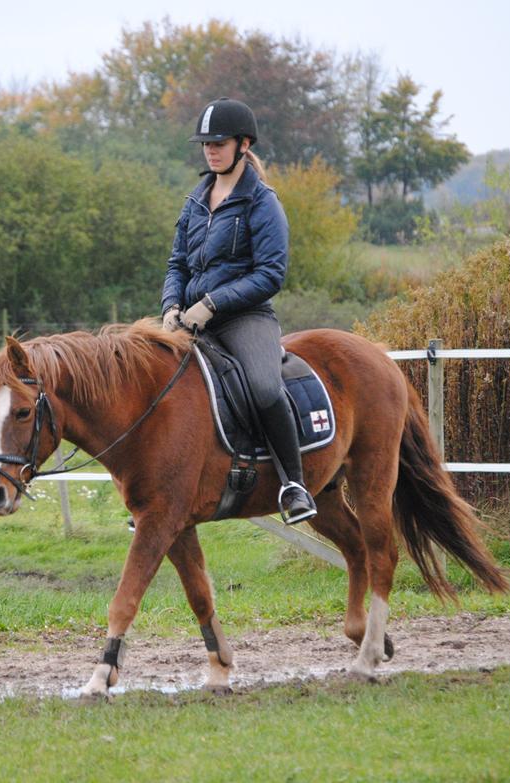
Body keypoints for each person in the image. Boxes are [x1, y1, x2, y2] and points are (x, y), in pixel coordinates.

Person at [161, 97, 317, 524]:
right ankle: (159, 491)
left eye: (219, 142)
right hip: (190, 318)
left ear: (243, 144)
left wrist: (212, 304)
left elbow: (271, 274)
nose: (211, 150)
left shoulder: (261, 202)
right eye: (205, 144)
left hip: (245, 318)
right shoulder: (195, 201)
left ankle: (293, 484)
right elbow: (177, 263)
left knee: (266, 388)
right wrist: (171, 305)